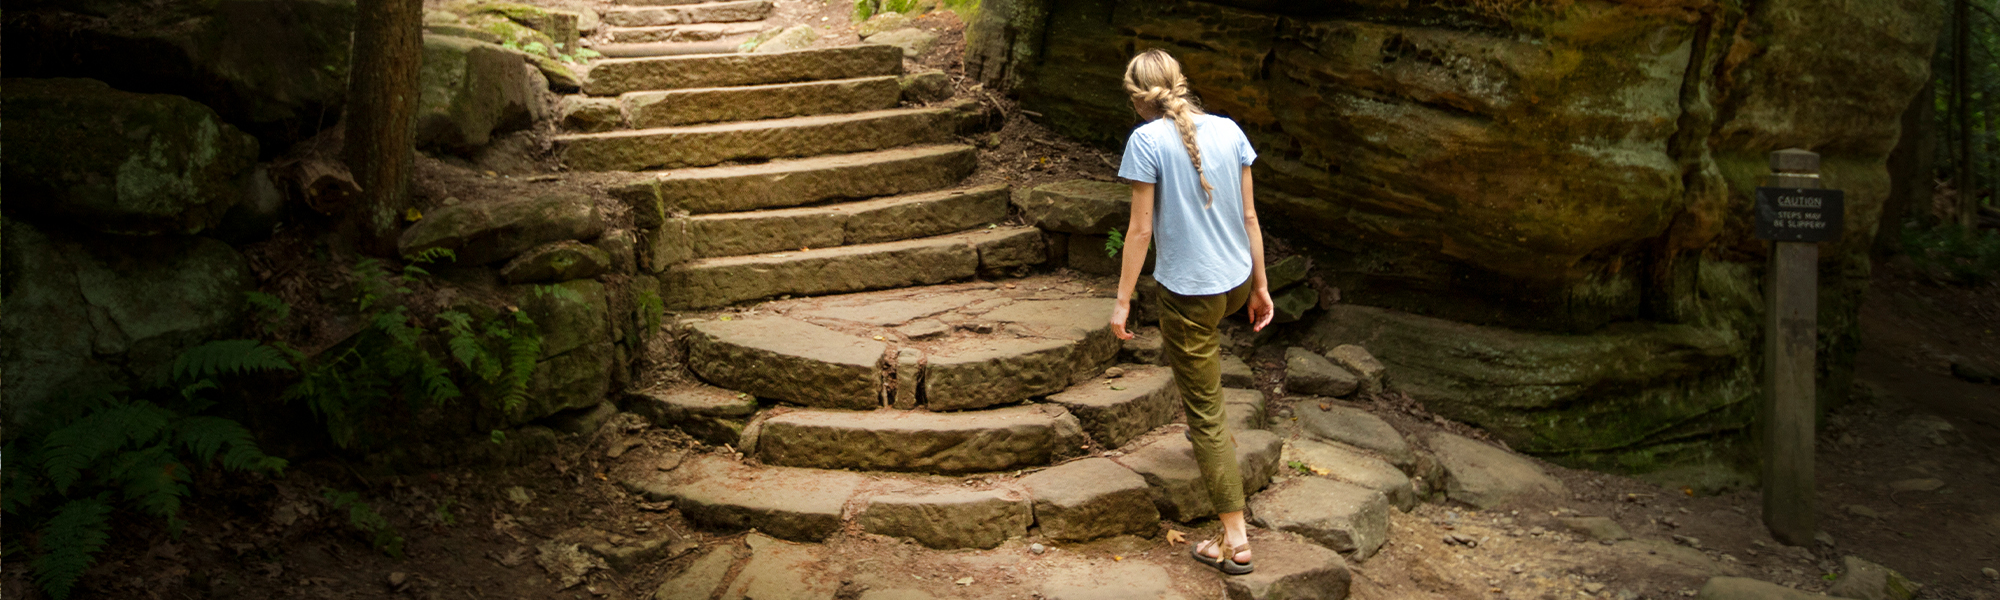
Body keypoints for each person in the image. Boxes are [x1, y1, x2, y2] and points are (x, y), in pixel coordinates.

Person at [1107, 48, 1274, 575]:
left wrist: (1122, 300)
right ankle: (1209, 449)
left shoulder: (1145, 140)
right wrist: (1261, 286)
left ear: (1137, 97)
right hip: (1235, 279)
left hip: (1190, 293)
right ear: (1180, 83)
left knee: (1205, 413)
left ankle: (1235, 539)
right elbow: (1250, 216)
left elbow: (1139, 230)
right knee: (1201, 386)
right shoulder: (1228, 129)